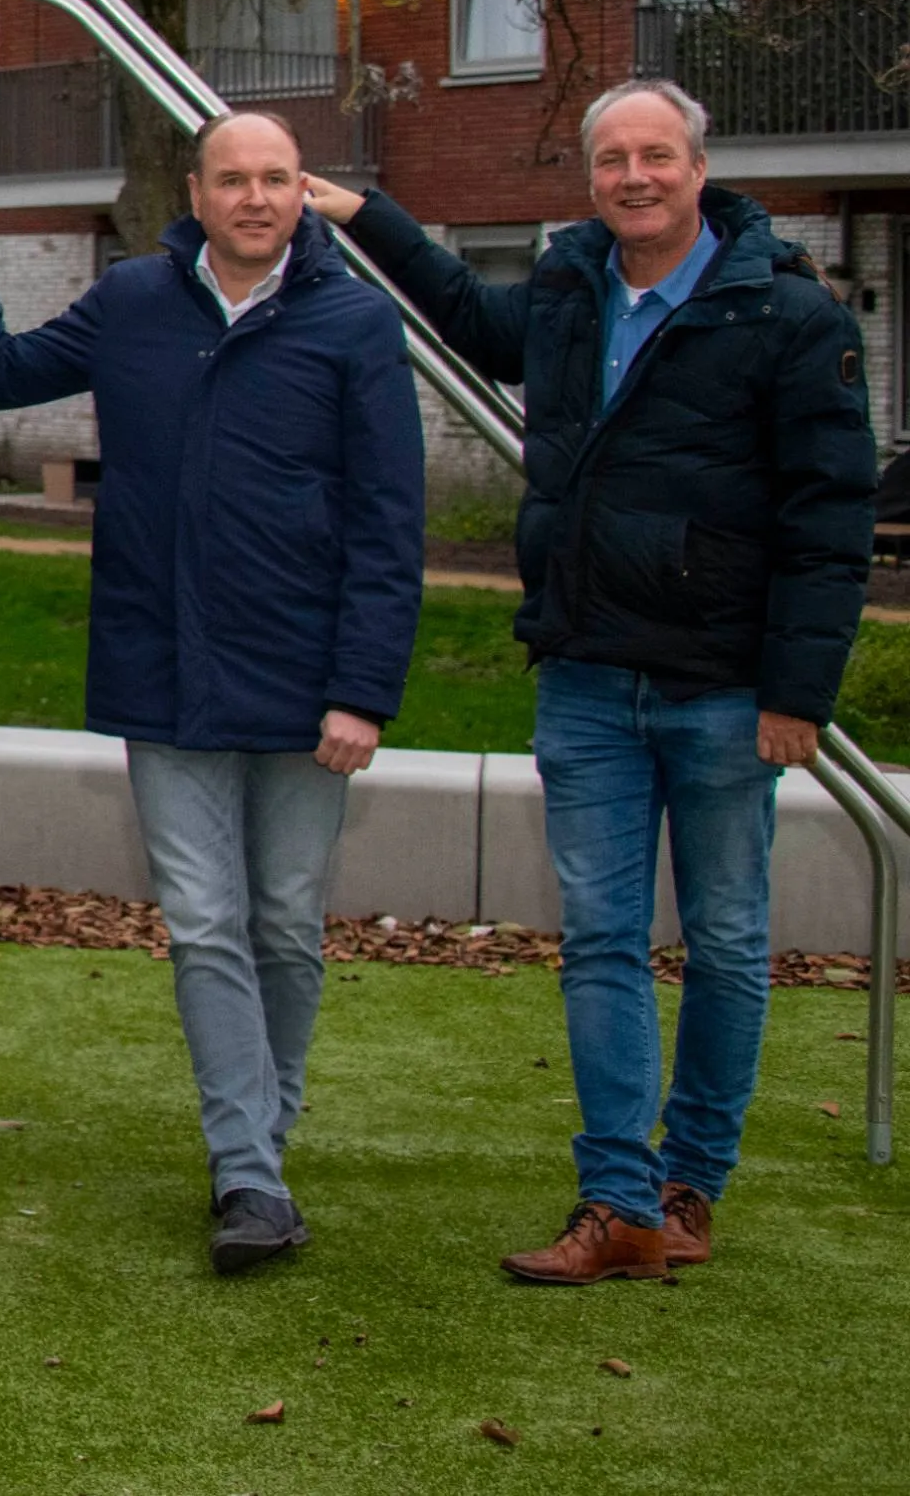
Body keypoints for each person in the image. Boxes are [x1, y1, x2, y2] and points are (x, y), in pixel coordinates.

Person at [308, 79, 871, 1285]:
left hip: (724, 689)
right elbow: (467, 313)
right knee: (604, 941)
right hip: (585, 676)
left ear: (697, 165)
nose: (634, 177)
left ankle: (689, 1187)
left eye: (656, 155)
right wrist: (366, 211)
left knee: (724, 938)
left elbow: (831, 520)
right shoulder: (570, 288)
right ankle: (615, 1200)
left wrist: (799, 694)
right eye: (612, 158)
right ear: (591, 174)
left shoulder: (782, 311)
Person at [0, 111, 423, 1272]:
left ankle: (260, 1145)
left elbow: (388, 524)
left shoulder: (356, 322)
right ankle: (252, 1177)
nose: (255, 198)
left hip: (308, 684)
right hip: (163, 675)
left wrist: (362, 690)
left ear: (300, 193)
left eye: (275, 179)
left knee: (285, 929)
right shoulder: (132, 304)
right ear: (196, 194)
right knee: (207, 925)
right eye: (232, 180)